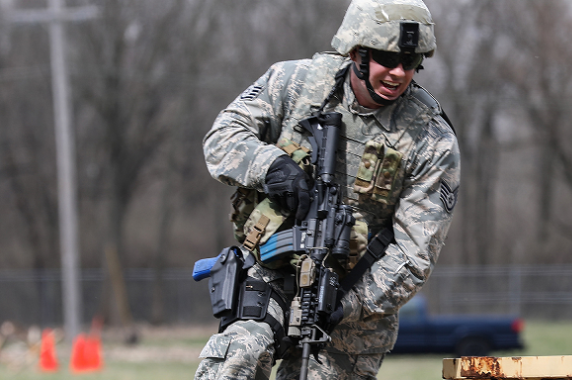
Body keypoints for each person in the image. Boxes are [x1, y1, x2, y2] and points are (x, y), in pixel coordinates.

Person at [193, 0, 459, 378]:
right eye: (387, 57)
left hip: (355, 309)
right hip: (271, 275)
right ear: (356, 52)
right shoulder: (295, 82)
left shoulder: (433, 140)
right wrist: (269, 166)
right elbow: (222, 138)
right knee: (236, 356)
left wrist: (347, 304)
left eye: (411, 61)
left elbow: (415, 256)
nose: (399, 72)